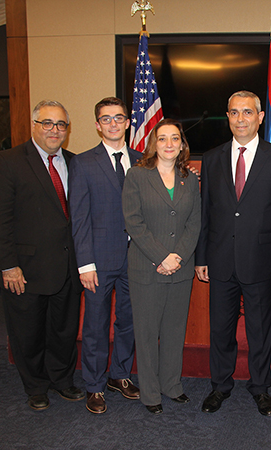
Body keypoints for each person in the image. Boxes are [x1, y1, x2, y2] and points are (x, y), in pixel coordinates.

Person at [195, 91, 271, 417]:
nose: (241, 119)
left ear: (260, 116)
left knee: (260, 330)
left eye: (248, 113)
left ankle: (260, 387)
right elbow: (205, 212)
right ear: (227, 116)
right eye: (235, 113)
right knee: (220, 330)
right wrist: (201, 257)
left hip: (261, 262)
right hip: (221, 260)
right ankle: (220, 386)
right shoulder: (211, 159)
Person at [0, 100, 84, 410]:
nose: (54, 130)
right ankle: (35, 386)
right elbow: (1, 218)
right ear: (33, 125)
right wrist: (8, 265)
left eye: (60, 124)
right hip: (26, 268)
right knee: (28, 331)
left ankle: (62, 380)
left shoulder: (75, 163)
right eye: (47, 123)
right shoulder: (8, 161)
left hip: (67, 266)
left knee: (63, 329)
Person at [122, 118, 201, 414]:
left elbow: (195, 223)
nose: (169, 144)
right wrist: (161, 257)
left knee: (174, 330)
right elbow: (134, 222)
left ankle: (172, 385)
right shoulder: (137, 176)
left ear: (182, 144)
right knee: (146, 331)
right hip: (147, 267)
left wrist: (177, 256)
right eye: (163, 138)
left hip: (180, 268)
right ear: (153, 143)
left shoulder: (190, 179)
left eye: (175, 138)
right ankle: (150, 392)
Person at [69, 97, 142, 414]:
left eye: (119, 117)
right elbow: (80, 218)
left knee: (128, 321)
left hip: (136, 260)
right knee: (95, 327)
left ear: (128, 122)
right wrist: (85, 264)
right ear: (97, 125)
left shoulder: (142, 161)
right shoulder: (83, 163)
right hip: (98, 262)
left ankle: (120, 375)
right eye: (106, 118)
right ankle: (95, 385)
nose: (113, 123)